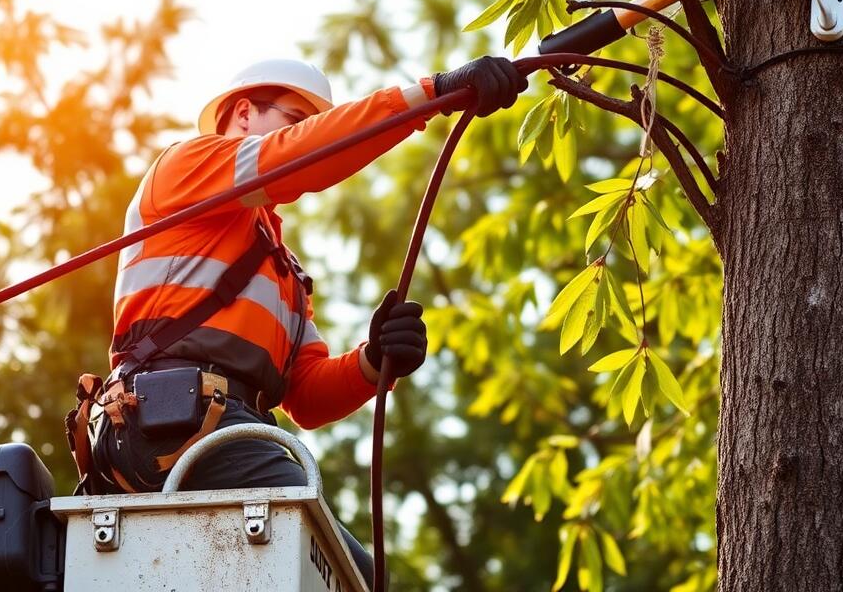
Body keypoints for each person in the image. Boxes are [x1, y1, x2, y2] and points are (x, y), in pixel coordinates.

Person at [85, 55, 527, 589]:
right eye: (297, 119)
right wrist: (432, 94)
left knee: (342, 571)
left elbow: (307, 397)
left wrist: (372, 360)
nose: (306, 134)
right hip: (163, 415)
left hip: (222, 428)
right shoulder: (184, 168)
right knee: (349, 575)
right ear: (244, 114)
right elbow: (297, 158)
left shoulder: (282, 269)